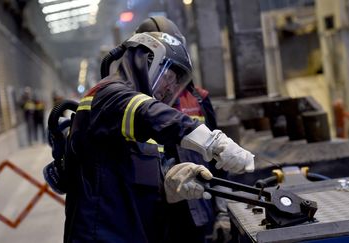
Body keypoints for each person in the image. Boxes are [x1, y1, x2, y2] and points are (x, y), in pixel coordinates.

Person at [63, 22, 254, 243]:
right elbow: (148, 113)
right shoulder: (108, 95)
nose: (172, 88)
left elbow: (126, 175)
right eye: (171, 77)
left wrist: (168, 186)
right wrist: (212, 141)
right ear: (149, 61)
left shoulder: (132, 120)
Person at [133, 16, 224, 243]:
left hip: (199, 213)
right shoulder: (131, 107)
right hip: (154, 221)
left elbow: (218, 161)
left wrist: (223, 210)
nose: (168, 80)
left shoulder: (198, 99)